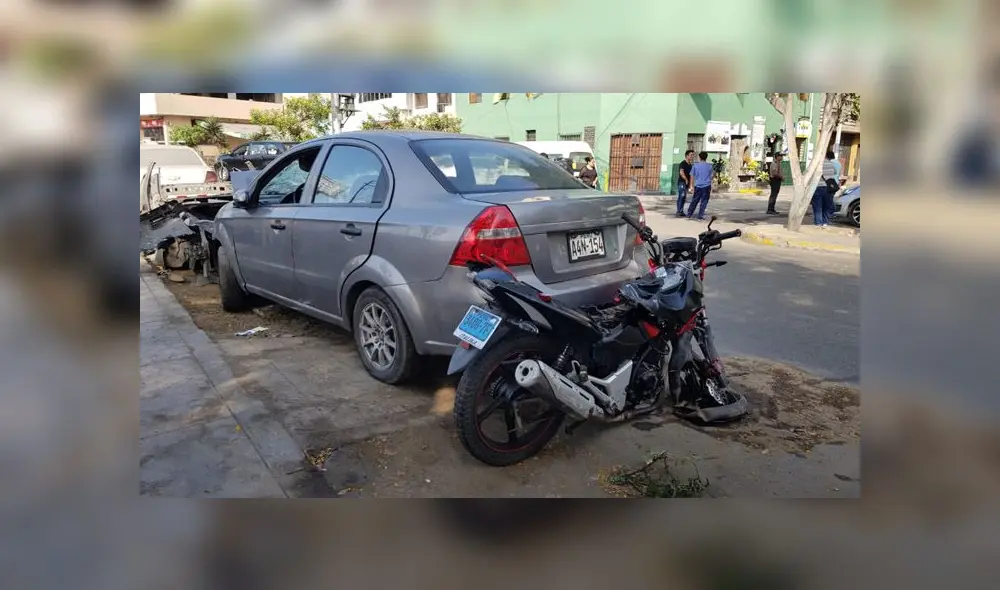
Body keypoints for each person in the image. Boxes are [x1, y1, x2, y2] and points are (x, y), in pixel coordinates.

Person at [812, 150, 840, 228]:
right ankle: (825, 222)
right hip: (829, 187)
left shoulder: (817, 164)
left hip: (818, 186)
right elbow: (834, 172)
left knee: (817, 206)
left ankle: (818, 223)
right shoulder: (831, 163)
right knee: (827, 205)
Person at [686, 151, 713, 220]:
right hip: (707, 186)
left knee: (694, 200)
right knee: (704, 201)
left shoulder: (695, 166)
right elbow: (712, 176)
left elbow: (692, 176)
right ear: (706, 157)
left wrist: (691, 186)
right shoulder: (710, 166)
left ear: (699, 157)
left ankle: (689, 214)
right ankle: (700, 215)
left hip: (697, 186)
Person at [676, 149, 694, 217]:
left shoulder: (690, 165)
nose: (692, 157)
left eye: (693, 155)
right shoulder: (682, 163)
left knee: (684, 197)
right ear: (687, 156)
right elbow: (681, 172)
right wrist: (686, 179)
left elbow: (691, 175)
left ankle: (681, 211)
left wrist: (691, 184)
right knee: (681, 196)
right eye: (691, 155)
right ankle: (678, 211)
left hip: (687, 183)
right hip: (682, 182)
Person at [825, 151, 842, 219]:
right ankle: (830, 212)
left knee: (828, 199)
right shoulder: (839, 163)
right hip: (836, 183)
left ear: (828, 156)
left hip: (830, 183)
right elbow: (838, 174)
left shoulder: (830, 163)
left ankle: (831, 211)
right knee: (830, 197)